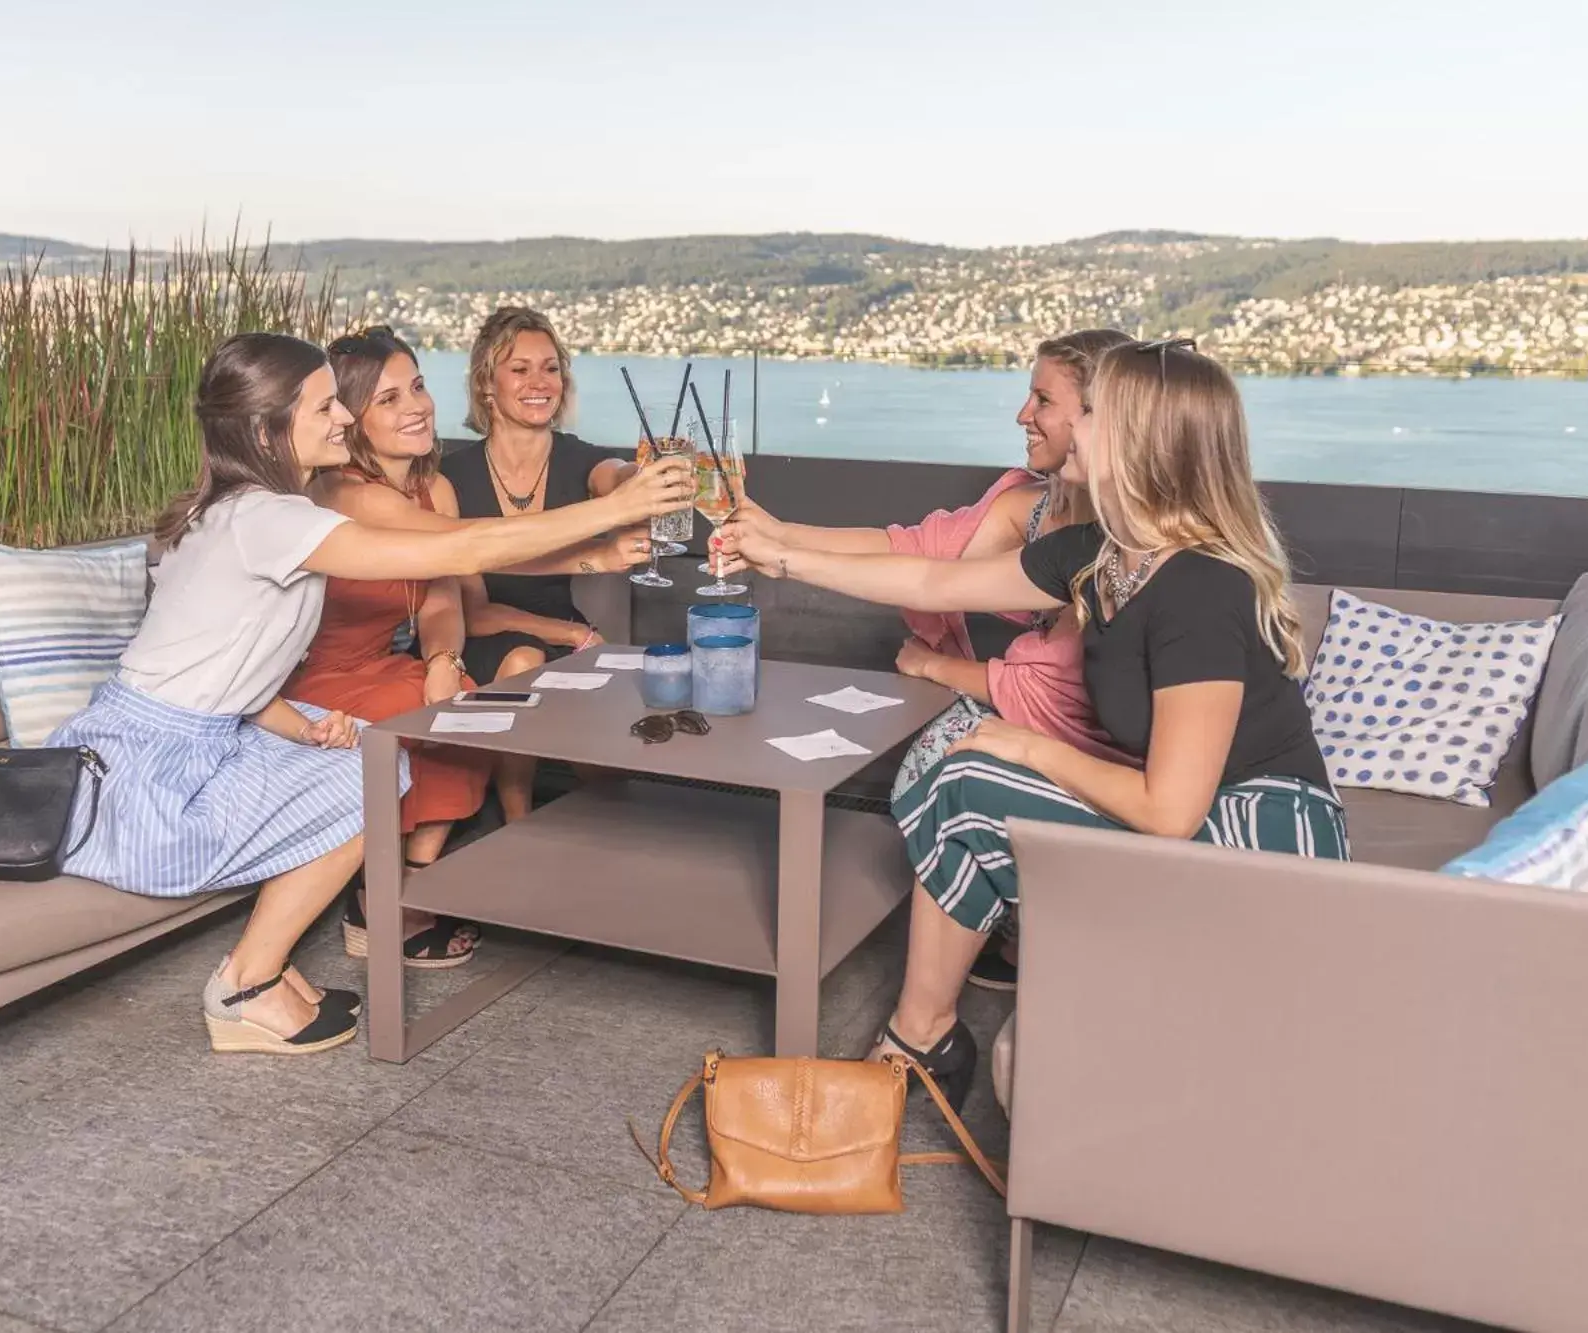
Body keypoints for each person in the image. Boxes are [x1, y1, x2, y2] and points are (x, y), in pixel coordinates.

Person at [716, 340, 1348, 1108]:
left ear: (1141, 441)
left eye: (1093, 413)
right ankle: (923, 1035)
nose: (1072, 426)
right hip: (1201, 822)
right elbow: (929, 578)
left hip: (1265, 844)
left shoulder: (1202, 589)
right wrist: (775, 555)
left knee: (974, 780)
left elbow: (1171, 810)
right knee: (961, 779)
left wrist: (1031, 747)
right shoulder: (1104, 552)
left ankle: (919, 1040)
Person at [47, 332, 690, 1056]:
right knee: (373, 771)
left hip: (189, 737)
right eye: (326, 407)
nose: (343, 420)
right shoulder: (270, 518)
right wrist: (619, 507)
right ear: (267, 429)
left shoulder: (249, 509)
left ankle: (264, 967)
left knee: (372, 761)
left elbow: (224, 665)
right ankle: (245, 984)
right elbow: (460, 549)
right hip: (149, 774)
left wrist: (297, 726)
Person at [734, 328, 1137, 991]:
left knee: (936, 771)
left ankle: (1003, 941)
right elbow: (916, 555)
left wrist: (935, 667)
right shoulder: (1029, 506)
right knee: (922, 770)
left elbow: (1049, 688)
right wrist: (775, 532)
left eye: (1042, 398)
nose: (1021, 414)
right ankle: (989, 939)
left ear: (1101, 417)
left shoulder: (1121, 546)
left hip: (1108, 748)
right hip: (1033, 716)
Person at [288, 326, 654, 969]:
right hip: (318, 675)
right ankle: (383, 903)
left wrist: (442, 661)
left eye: (418, 389)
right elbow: (471, 545)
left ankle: (408, 882)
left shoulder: (435, 489)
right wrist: (599, 547)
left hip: (385, 662)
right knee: (479, 702)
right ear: (352, 418)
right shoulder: (343, 491)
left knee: (473, 705)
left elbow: (441, 598)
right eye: (389, 400)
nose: (416, 408)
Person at [439, 306, 640, 819]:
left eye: (551, 368)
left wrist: (642, 475)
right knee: (523, 661)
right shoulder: (451, 477)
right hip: (483, 640)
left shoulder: (578, 459)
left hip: (564, 633)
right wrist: (569, 634)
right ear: (487, 383)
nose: (540, 382)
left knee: (611, 771)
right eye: (519, 368)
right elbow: (475, 613)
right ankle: (516, 822)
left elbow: (613, 476)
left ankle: (612, 837)